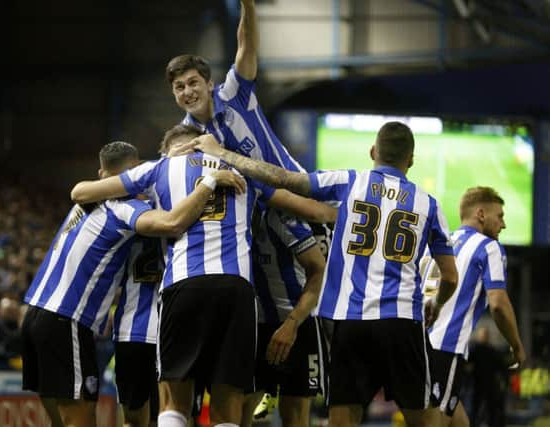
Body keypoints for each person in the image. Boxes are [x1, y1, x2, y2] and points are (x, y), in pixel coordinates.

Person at [189, 121, 459, 427]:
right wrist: (435, 305)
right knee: (424, 417)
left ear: (373, 152)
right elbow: (449, 277)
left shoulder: (350, 181)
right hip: (402, 323)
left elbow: (285, 178)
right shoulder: (430, 205)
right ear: (411, 160)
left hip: (350, 322)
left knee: (343, 419)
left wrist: (221, 152)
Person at [70, 124, 337, 427]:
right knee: (229, 405)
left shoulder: (158, 168)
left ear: (173, 148)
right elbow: (315, 211)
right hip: (237, 290)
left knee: (174, 402)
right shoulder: (244, 172)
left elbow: (81, 191)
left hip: (184, 285)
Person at [21, 141, 243, 427]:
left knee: (61, 422)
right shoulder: (124, 207)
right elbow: (173, 222)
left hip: (36, 313)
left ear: (102, 174)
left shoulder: (84, 203)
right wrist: (208, 181)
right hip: (68, 319)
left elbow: (80, 189)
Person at [421, 186, 526, 427]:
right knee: (435, 422)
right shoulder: (488, 247)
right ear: (481, 214)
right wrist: (517, 346)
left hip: (416, 345)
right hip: (444, 347)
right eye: (499, 216)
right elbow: (498, 305)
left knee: (458, 421)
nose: (503, 224)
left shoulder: (437, 244)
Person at [166, 0, 304, 173]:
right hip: (248, 201)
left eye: (193, 83)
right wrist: (167, 163)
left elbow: (246, 46)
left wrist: (248, 5)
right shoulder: (184, 135)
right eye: (179, 87)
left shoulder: (233, 93)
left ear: (209, 84)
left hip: (294, 187)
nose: (187, 92)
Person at [242, 208, 328, 427]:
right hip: (255, 326)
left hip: (298, 324)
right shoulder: (236, 215)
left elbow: (319, 270)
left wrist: (292, 323)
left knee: (296, 414)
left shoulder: (279, 217)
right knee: (240, 412)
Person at [111, 235, 162, 427]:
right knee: (171, 413)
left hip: (129, 330)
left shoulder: (127, 238)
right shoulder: (178, 237)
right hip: (165, 333)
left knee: (131, 420)